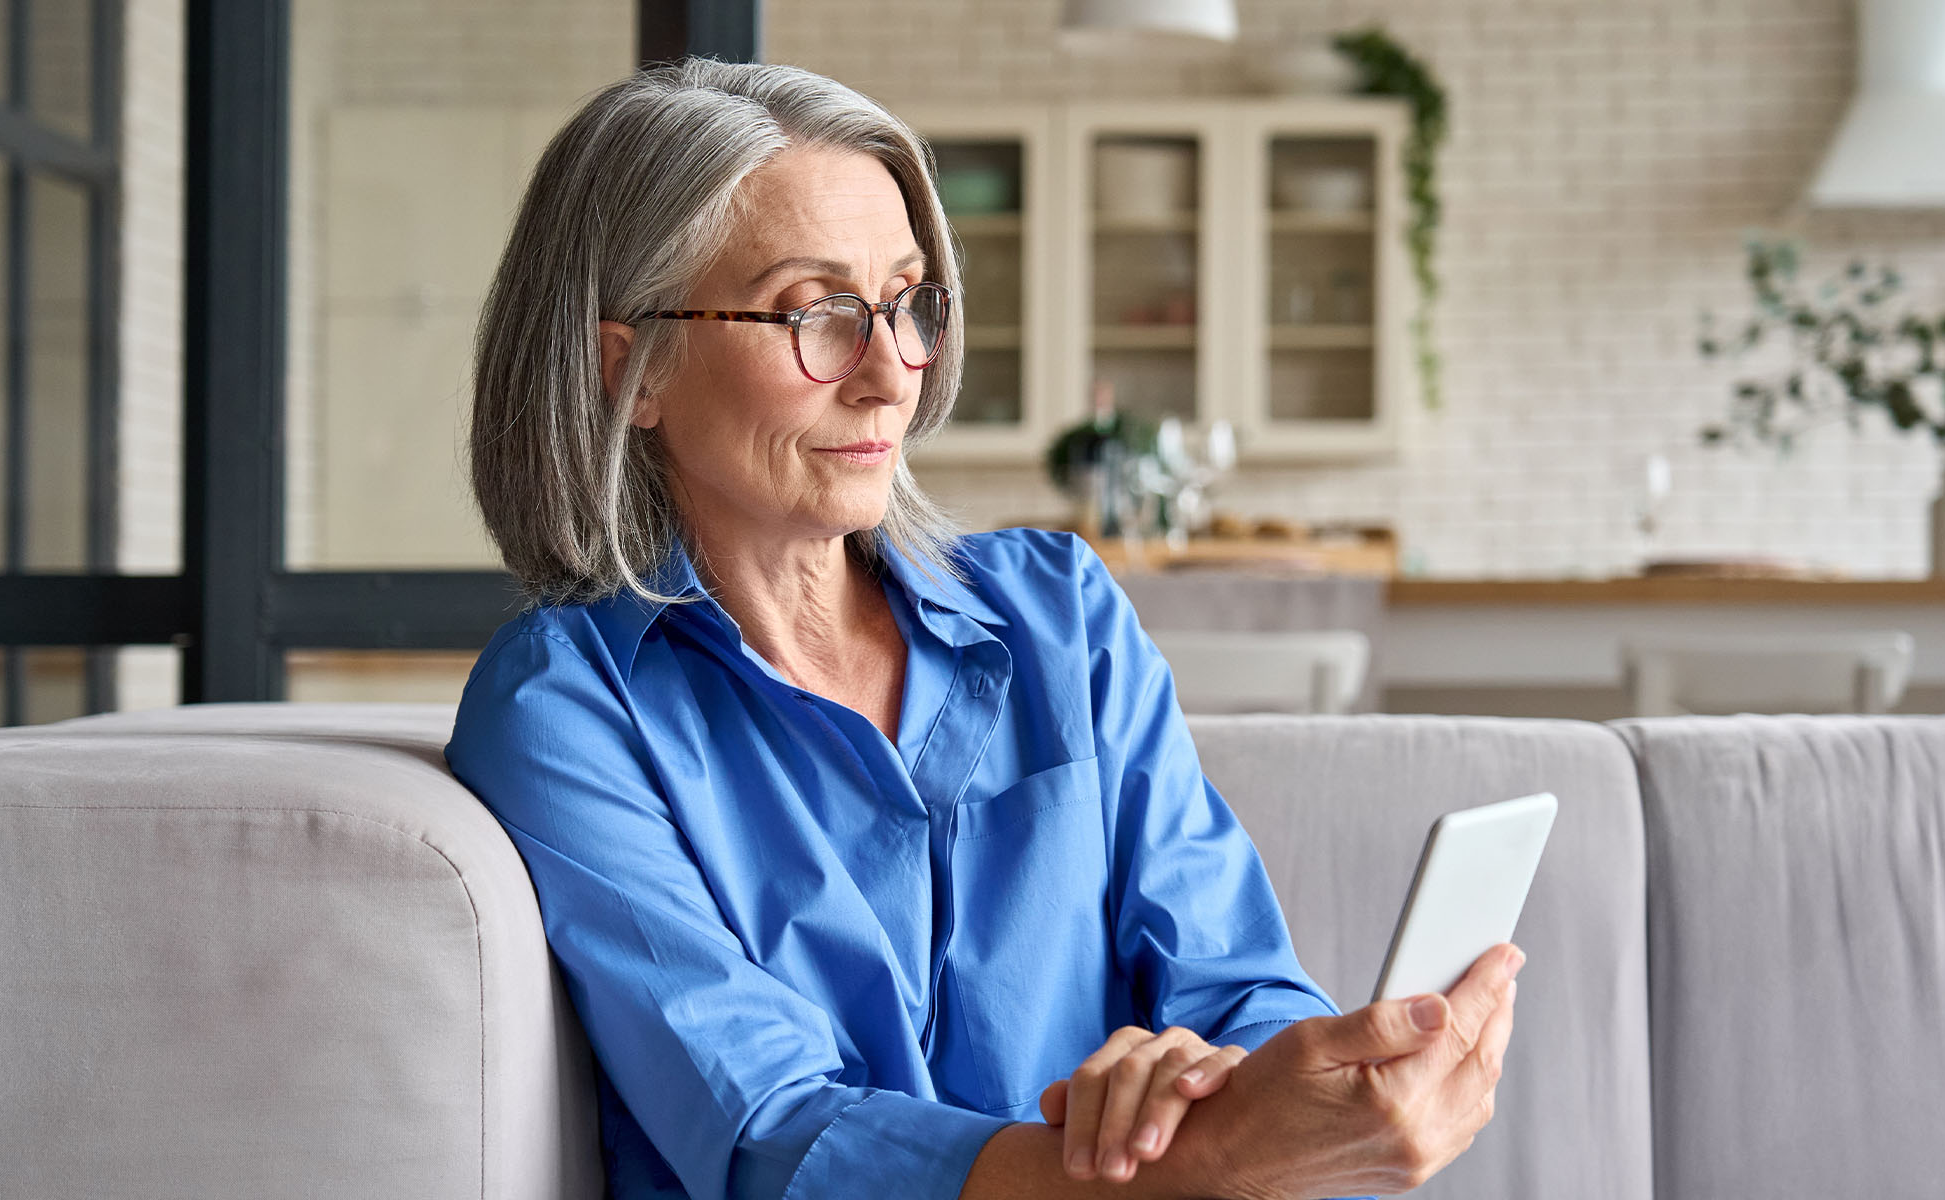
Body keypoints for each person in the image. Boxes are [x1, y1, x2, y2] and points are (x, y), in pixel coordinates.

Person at [445, 58, 1519, 1200]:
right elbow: (773, 1133)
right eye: (817, 313)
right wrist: (1190, 1163)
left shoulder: (1060, 614)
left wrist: (1223, 1088)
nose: (890, 374)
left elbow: (1239, 985)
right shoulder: (566, 706)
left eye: (909, 304)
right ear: (633, 370)